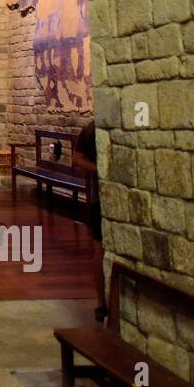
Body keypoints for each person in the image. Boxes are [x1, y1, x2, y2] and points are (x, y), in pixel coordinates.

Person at [73, 120, 108, 322]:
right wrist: (99, 170)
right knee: (100, 248)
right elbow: (77, 159)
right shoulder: (92, 129)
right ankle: (101, 301)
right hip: (99, 198)